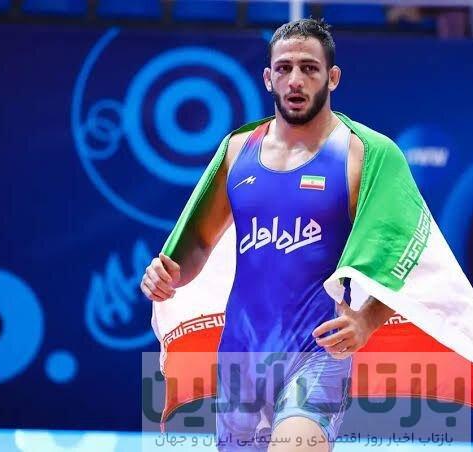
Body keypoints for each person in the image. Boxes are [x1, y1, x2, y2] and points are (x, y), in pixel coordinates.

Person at [141, 18, 396, 451]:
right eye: (284, 68)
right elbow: (198, 242)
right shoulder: (237, 151)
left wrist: (367, 320)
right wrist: (168, 275)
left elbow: (404, 252)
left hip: (317, 355)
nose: (295, 80)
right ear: (268, 77)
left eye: (309, 68)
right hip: (240, 359)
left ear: (333, 77)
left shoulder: (363, 156)